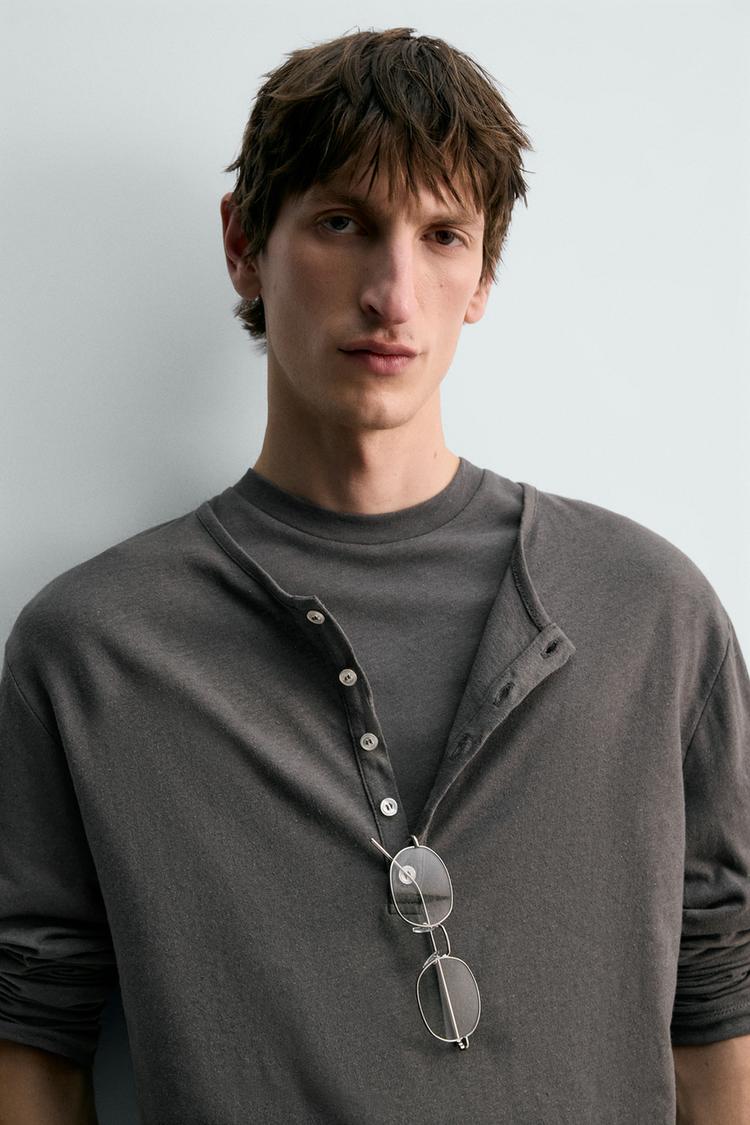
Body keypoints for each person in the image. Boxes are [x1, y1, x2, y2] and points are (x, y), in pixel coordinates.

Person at [1, 25, 749, 1125]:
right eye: (344, 223)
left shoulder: (650, 613)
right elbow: (32, 1035)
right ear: (244, 244)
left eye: (442, 235)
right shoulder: (92, 649)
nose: (393, 292)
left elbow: (719, 1007)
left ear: (482, 273)